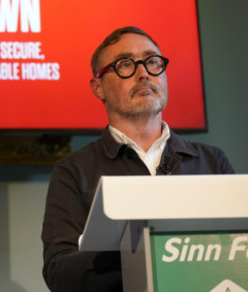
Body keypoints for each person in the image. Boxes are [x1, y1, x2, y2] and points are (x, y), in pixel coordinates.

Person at [41, 26, 234, 292]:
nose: (143, 73)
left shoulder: (212, 162)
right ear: (98, 88)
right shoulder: (74, 171)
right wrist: (147, 252)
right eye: (125, 64)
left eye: (152, 61)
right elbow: (60, 273)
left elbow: (239, 252)